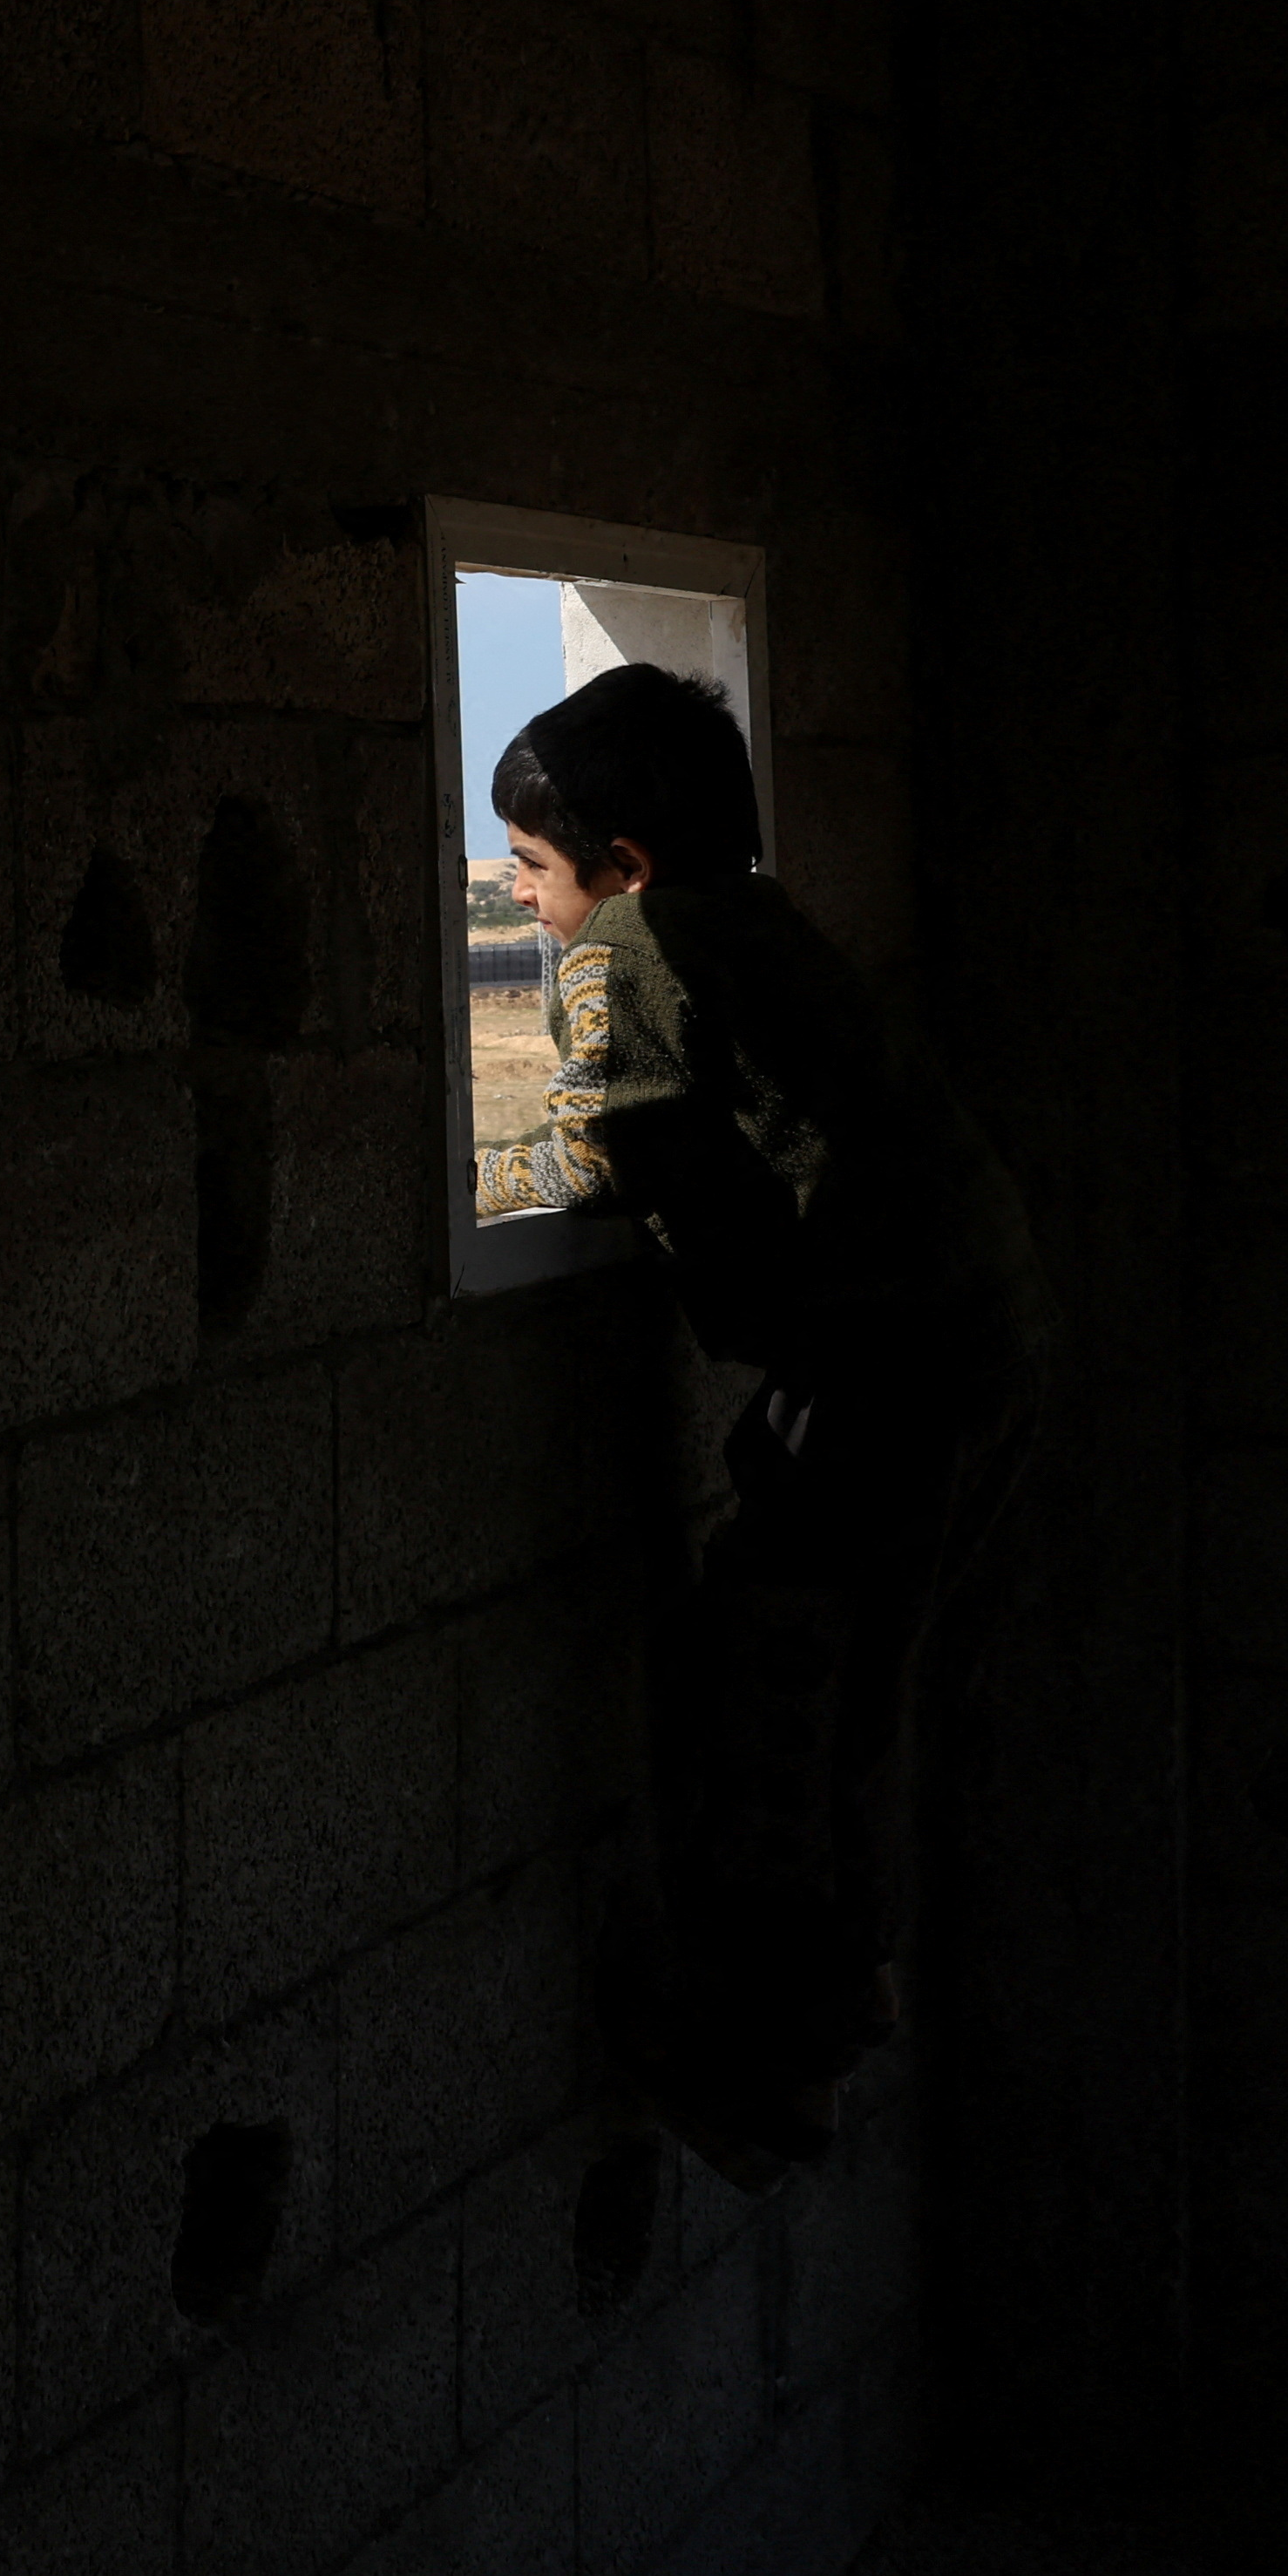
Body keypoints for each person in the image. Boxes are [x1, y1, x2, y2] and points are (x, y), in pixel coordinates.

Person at [478, 663, 1057, 2183]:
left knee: (780, 1688)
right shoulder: (757, 921)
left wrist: (525, 1189)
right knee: (854, 1679)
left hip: (891, 1368)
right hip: (977, 1342)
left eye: (535, 870)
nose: (527, 905)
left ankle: (772, 2060)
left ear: (627, 869)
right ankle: (822, 2016)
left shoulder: (632, 949)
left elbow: (644, 1156)